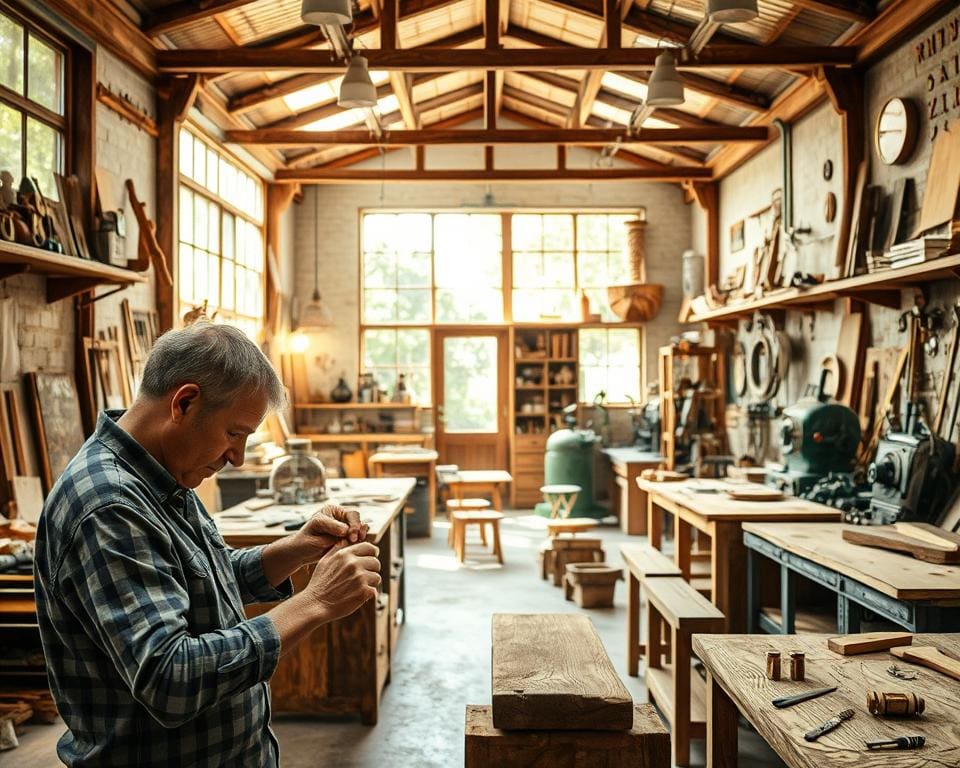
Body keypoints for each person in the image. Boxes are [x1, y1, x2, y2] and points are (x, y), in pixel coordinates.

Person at [34, 323, 382, 767]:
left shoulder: (160, 474)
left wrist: (295, 548)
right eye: (234, 433)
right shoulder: (109, 507)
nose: (236, 456)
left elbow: (201, 581)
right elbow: (170, 678)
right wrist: (315, 602)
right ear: (184, 402)